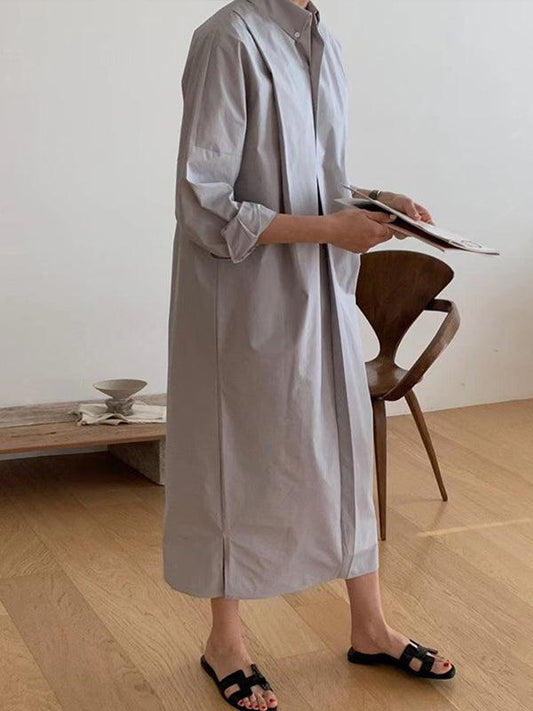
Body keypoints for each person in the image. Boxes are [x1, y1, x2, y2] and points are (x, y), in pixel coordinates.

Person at [162, 0, 456, 708]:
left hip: (320, 288)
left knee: (343, 446)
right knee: (234, 455)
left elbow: (310, 176)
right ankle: (224, 641)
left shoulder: (322, 43)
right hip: (243, 299)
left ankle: (370, 627)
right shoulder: (227, 40)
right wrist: (331, 229)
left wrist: (374, 200)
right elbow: (204, 205)